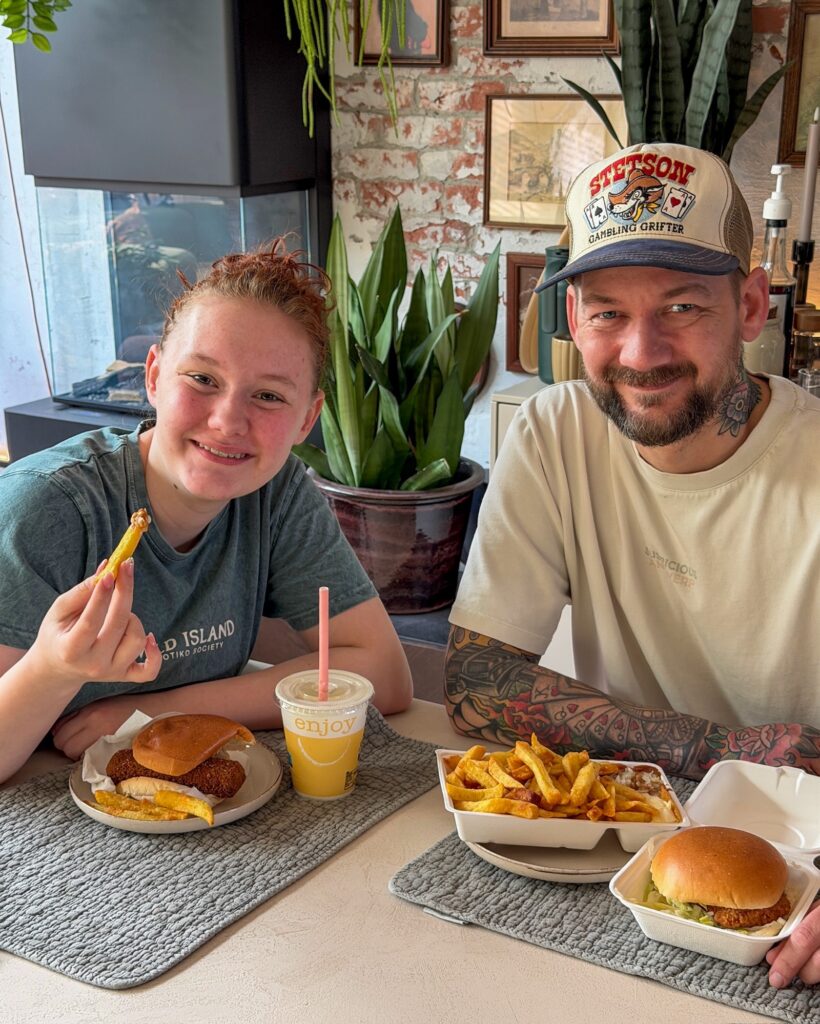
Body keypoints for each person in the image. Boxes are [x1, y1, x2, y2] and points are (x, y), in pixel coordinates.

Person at [445, 142, 820, 988]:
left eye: (684, 306)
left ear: (753, 305)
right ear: (572, 321)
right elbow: (476, 685)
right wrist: (725, 747)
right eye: (607, 311)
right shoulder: (552, 433)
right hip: (607, 864)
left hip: (797, 890)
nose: (641, 352)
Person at [0, 239, 413, 785]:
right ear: (152, 377)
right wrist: (53, 671)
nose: (227, 421)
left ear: (307, 420)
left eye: (268, 396)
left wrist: (156, 715)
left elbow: (383, 674)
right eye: (202, 380)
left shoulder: (277, 493)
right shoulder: (45, 508)